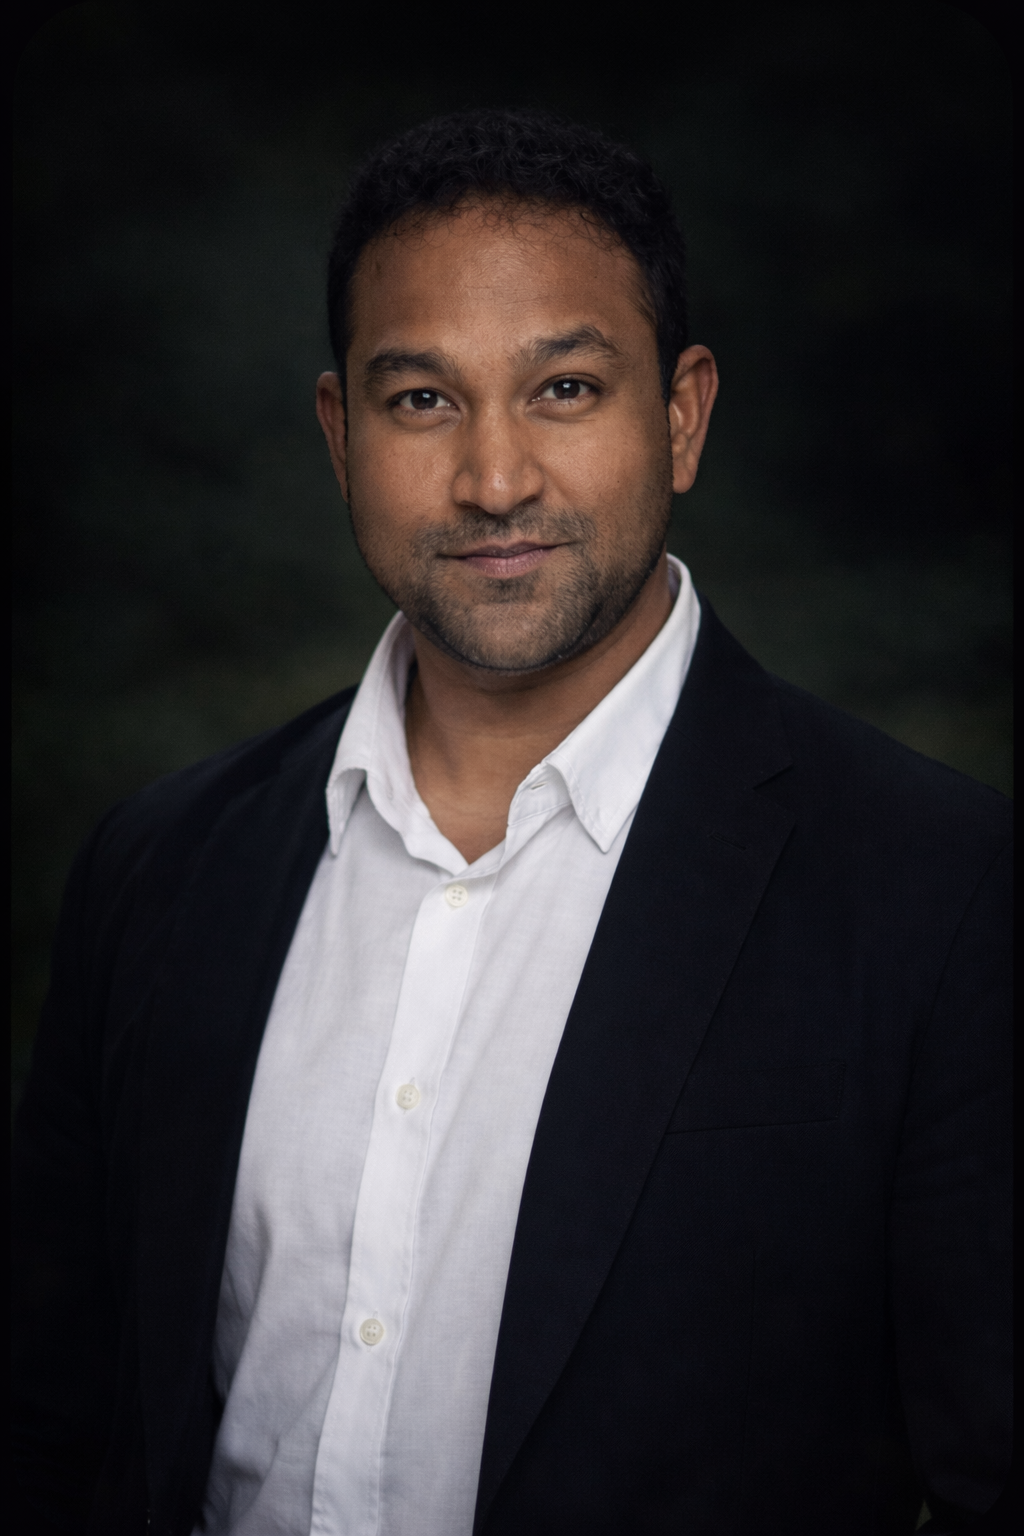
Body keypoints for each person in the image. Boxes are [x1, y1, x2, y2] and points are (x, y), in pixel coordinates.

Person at [11, 107, 1011, 1536]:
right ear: (339, 428)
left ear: (680, 414)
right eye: (422, 399)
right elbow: (53, 1425)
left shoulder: (944, 891)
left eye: (563, 390)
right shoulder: (158, 868)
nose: (493, 481)